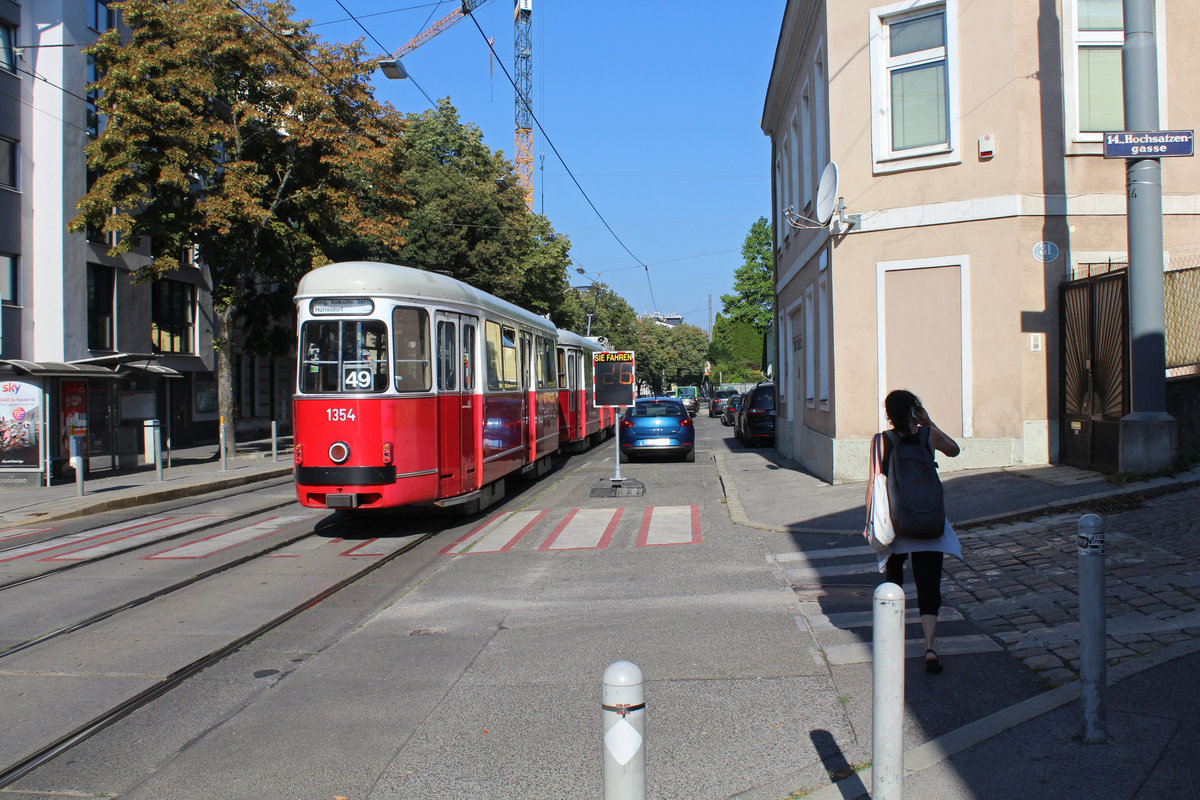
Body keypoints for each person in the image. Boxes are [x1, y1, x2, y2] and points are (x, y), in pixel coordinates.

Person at [865, 389, 961, 673]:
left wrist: (869, 521)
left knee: (894, 581)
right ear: (913, 411)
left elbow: (873, 482)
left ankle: (891, 639)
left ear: (888, 414)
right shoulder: (927, 435)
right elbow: (954, 450)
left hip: (897, 526)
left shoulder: (881, 441)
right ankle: (930, 647)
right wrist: (928, 421)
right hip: (930, 522)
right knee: (929, 586)